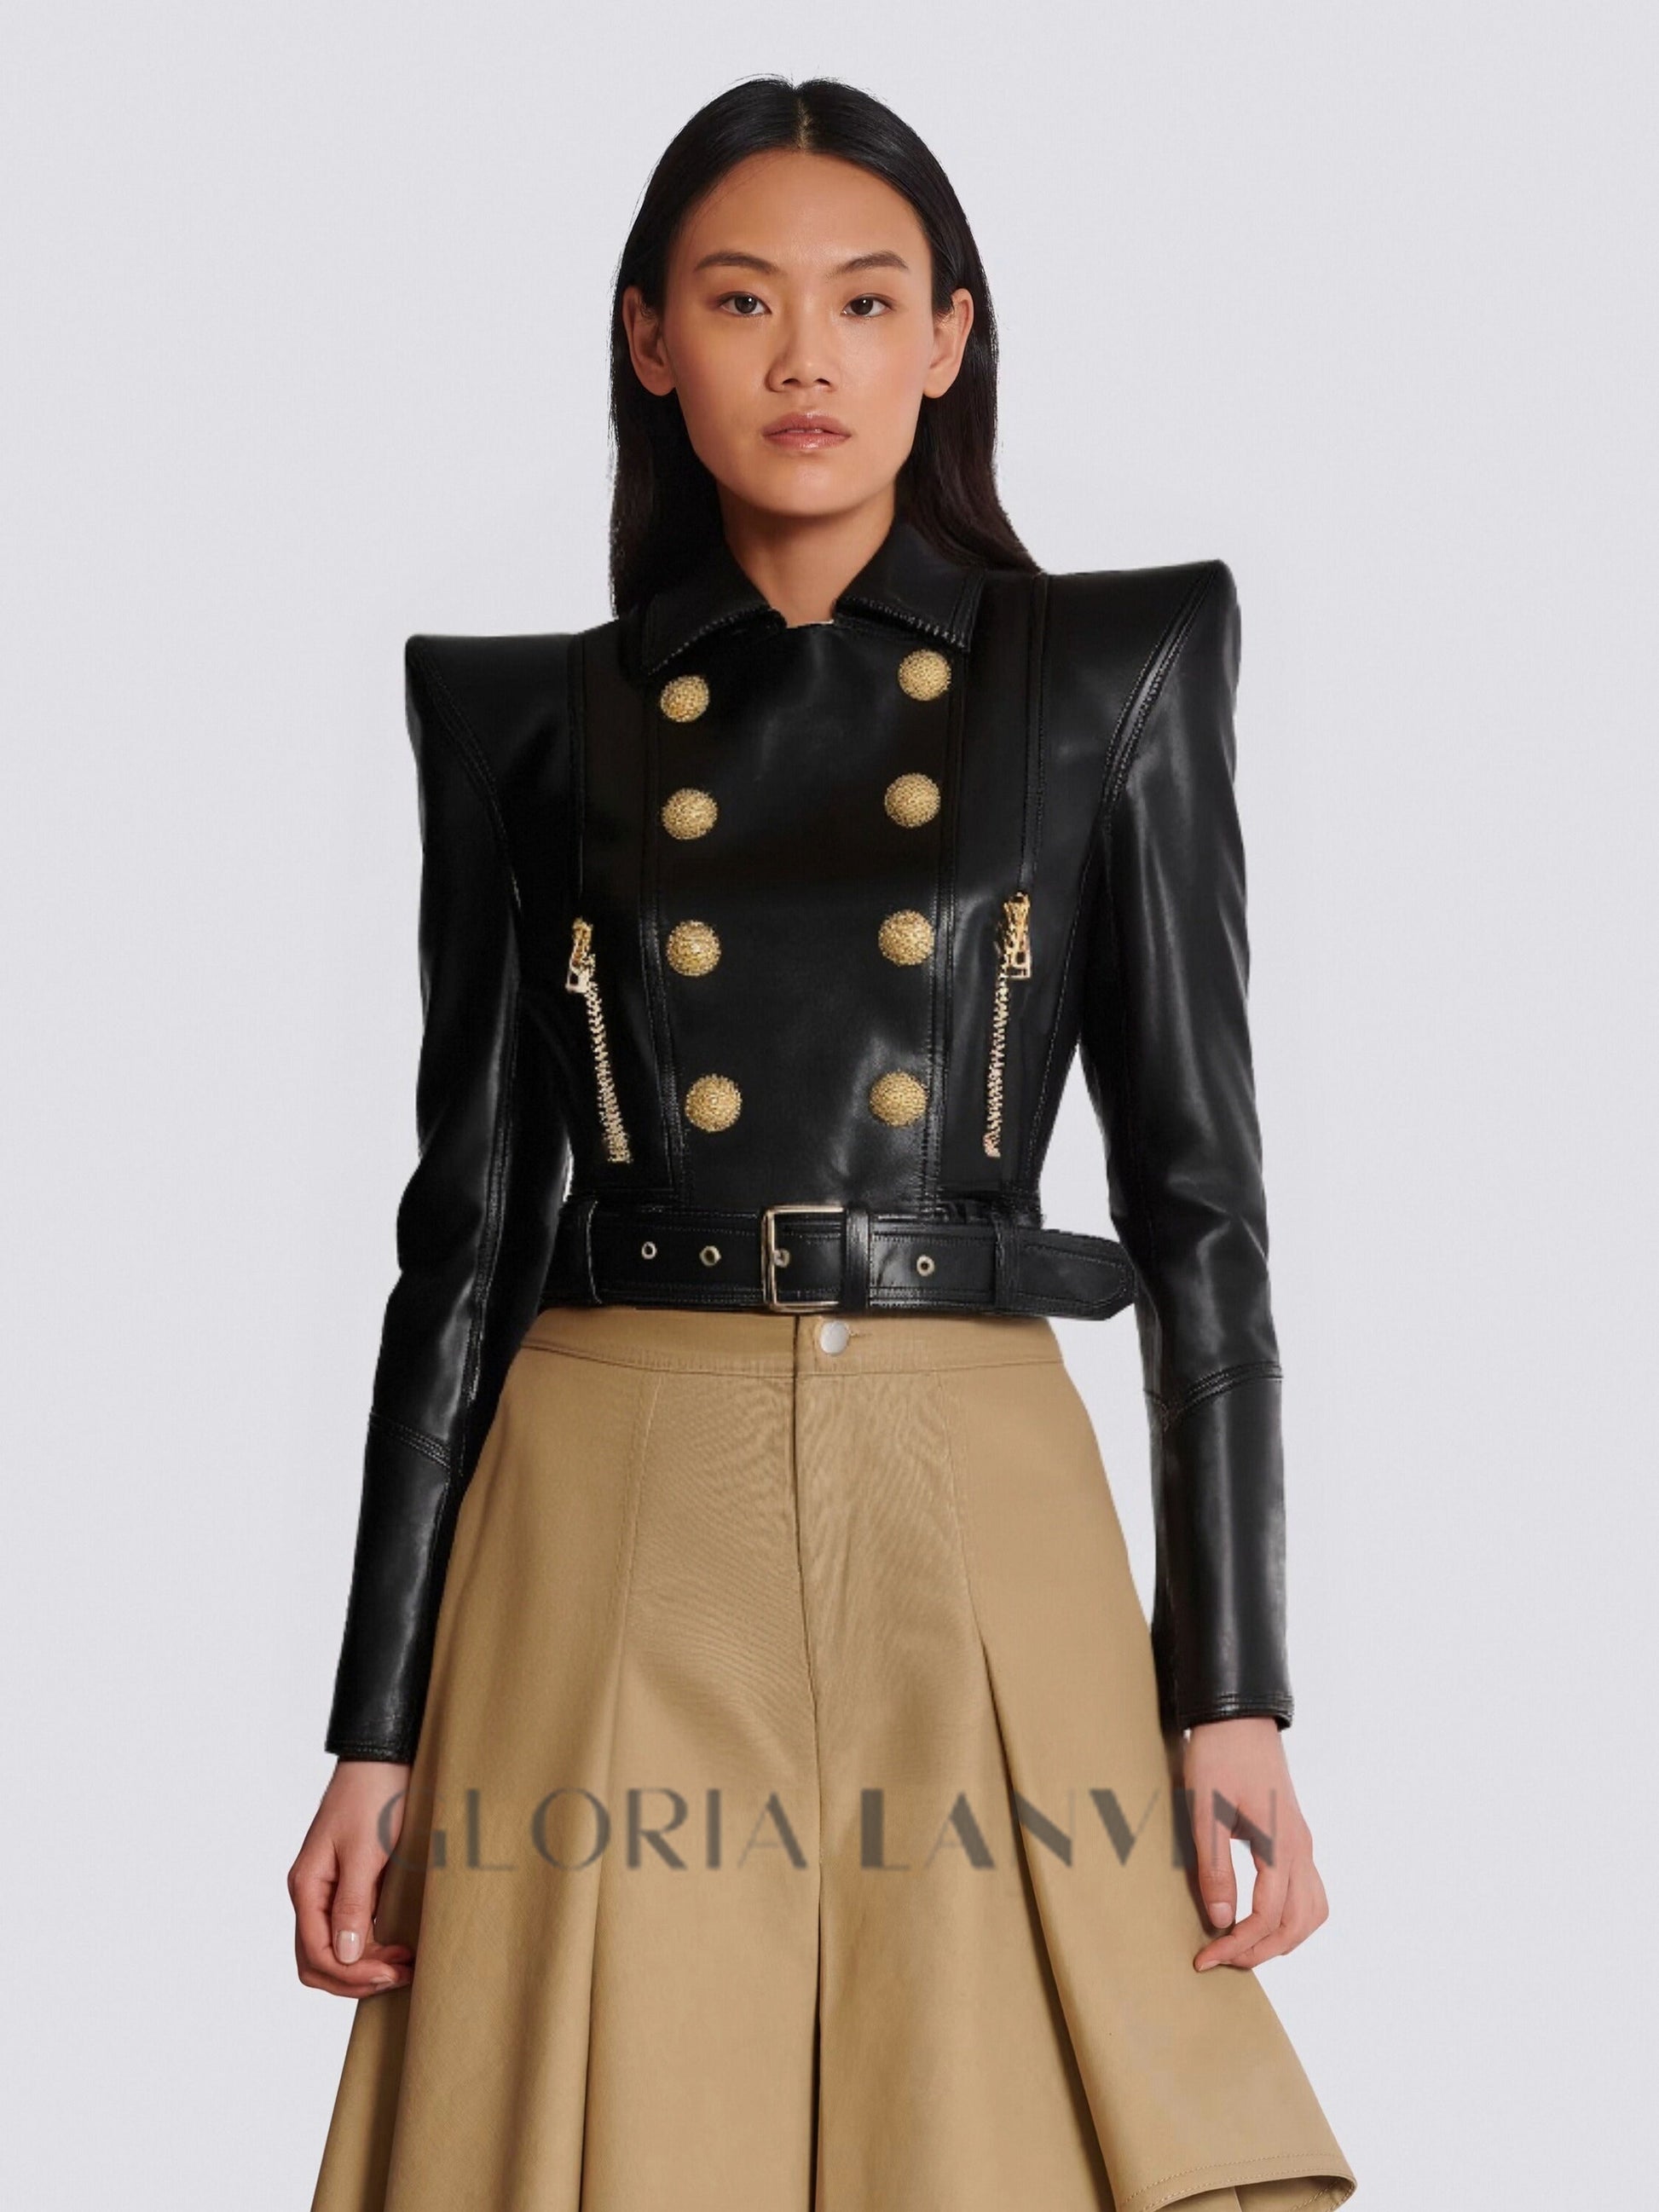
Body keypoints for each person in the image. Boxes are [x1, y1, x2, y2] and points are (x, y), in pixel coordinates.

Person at [292, 73, 1358, 2212]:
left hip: (970, 1475)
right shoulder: (519, 716)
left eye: (866, 301)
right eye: (741, 299)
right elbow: (465, 1235)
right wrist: (373, 1729)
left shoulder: (1112, 671)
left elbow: (1200, 1206)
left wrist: (1230, 1688)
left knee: (1007, 2126)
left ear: (948, 338)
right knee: (612, 2130)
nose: (807, 358)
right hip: (609, 1488)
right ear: (648, 339)